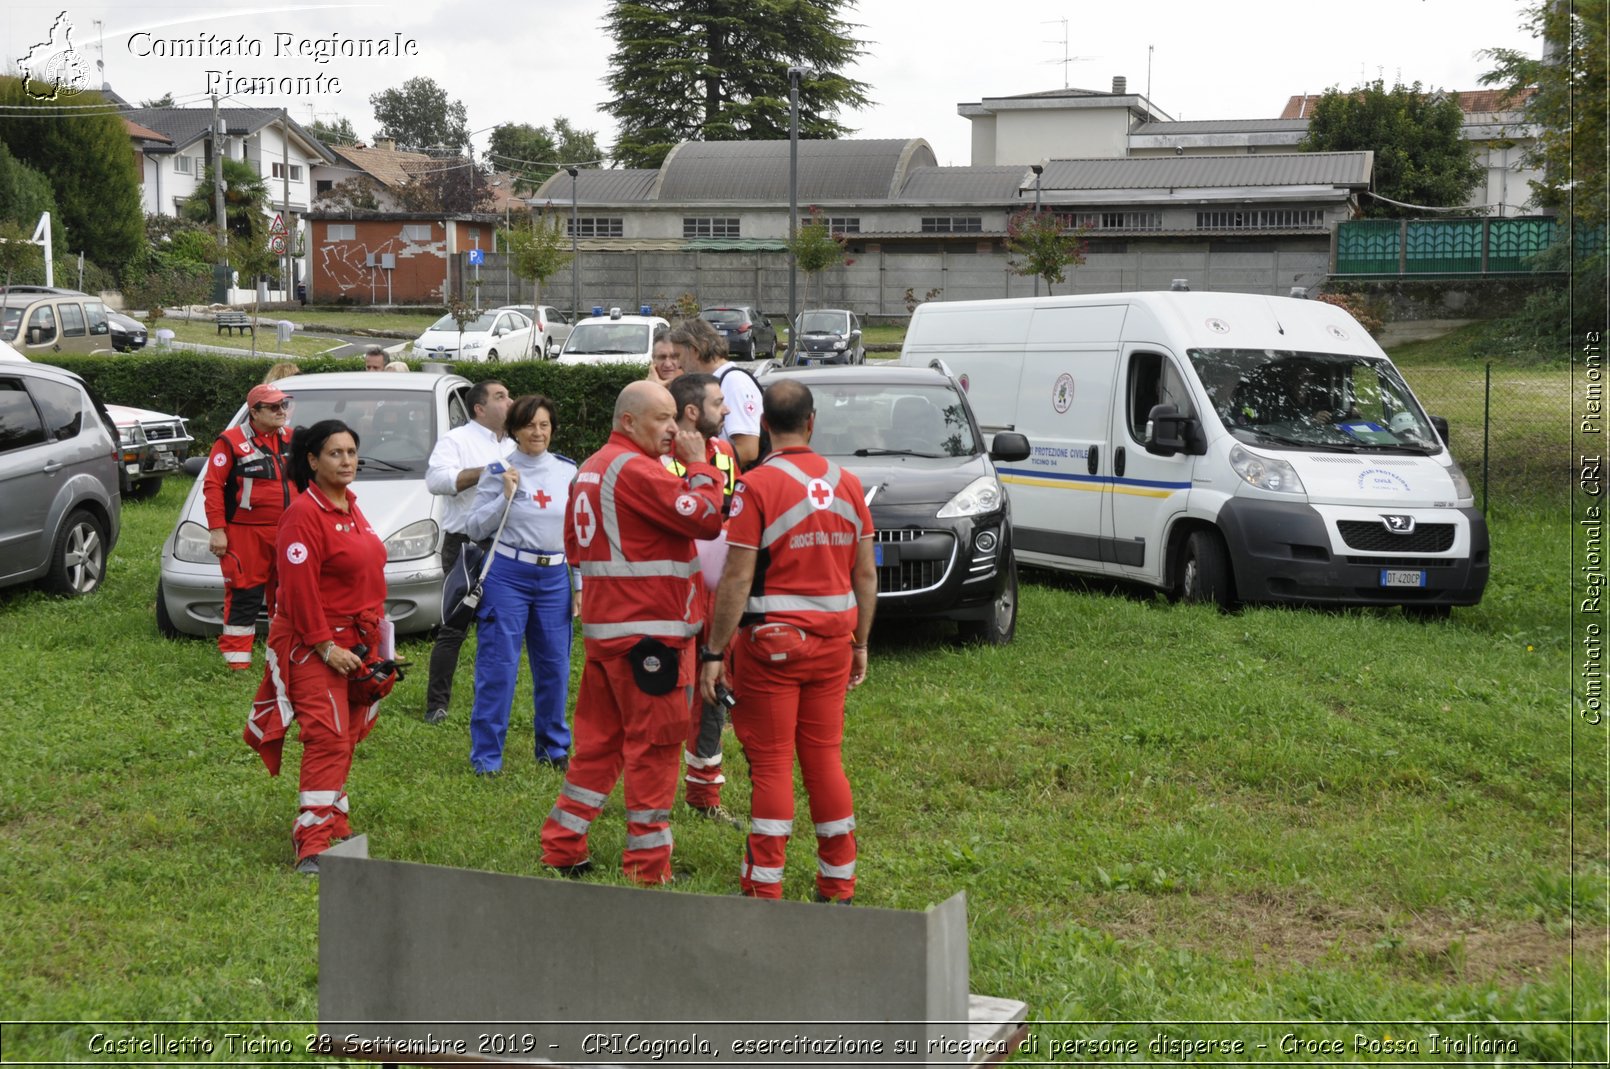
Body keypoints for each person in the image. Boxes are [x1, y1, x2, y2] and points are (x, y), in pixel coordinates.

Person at [540, 381, 725, 885]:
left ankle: (562, 844)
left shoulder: (589, 470)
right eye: (663, 419)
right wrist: (701, 467)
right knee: (656, 750)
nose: (675, 429)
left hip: (608, 632)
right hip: (651, 637)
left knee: (599, 744)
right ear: (628, 422)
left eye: (675, 419)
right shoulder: (636, 470)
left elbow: (576, 550)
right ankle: (648, 866)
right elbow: (706, 518)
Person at [700, 379, 878, 902]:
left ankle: (765, 886)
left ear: (763, 427)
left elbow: (735, 578)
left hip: (771, 647)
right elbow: (865, 576)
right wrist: (860, 643)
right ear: (812, 421)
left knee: (774, 763)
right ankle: (838, 881)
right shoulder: (847, 482)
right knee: (824, 760)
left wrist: (714, 651)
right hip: (833, 643)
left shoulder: (756, 486)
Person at [244, 419, 391, 875]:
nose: (346, 461)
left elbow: (367, 578)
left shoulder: (352, 506)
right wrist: (326, 648)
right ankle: (311, 841)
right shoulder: (303, 516)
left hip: (357, 642)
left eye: (351, 452)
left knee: (347, 735)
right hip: (312, 643)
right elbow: (299, 591)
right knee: (327, 735)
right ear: (312, 460)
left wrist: (380, 645)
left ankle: (334, 820)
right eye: (335, 453)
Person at [464, 395, 579, 775]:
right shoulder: (499, 468)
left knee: (555, 667)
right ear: (514, 429)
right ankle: (487, 757)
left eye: (544, 425)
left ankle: (553, 748)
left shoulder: (567, 471)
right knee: (498, 667)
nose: (538, 432)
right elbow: (475, 527)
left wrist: (578, 584)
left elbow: (578, 532)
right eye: (530, 425)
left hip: (554, 579)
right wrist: (505, 498)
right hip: (508, 577)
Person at [663, 373, 740, 824]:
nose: (727, 410)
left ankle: (704, 796)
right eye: (718, 402)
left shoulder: (727, 454)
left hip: (717, 596)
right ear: (692, 412)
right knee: (668, 695)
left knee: (716, 689)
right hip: (672, 594)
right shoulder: (658, 458)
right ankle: (650, 792)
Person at [423, 380, 514, 724]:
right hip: (465, 545)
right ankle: (437, 705)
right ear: (480, 408)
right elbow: (437, 481)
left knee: (499, 627)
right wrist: (489, 472)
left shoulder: (515, 444)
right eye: (501, 397)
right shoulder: (456, 440)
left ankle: (491, 705)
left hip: (505, 544)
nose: (510, 401)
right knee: (454, 626)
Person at [202, 383, 298, 670]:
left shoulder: (294, 439)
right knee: (245, 594)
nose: (281, 411)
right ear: (253, 412)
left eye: (284, 405)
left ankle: (282, 659)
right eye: (273, 407)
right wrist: (217, 529)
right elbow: (213, 485)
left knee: (287, 597)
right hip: (245, 534)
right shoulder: (230, 441)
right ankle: (237, 663)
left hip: (288, 531)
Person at [670, 320, 764, 468]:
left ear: (695, 350)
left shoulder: (734, 382)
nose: (677, 364)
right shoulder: (719, 381)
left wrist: (700, 466)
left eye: (678, 355)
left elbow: (748, 450)